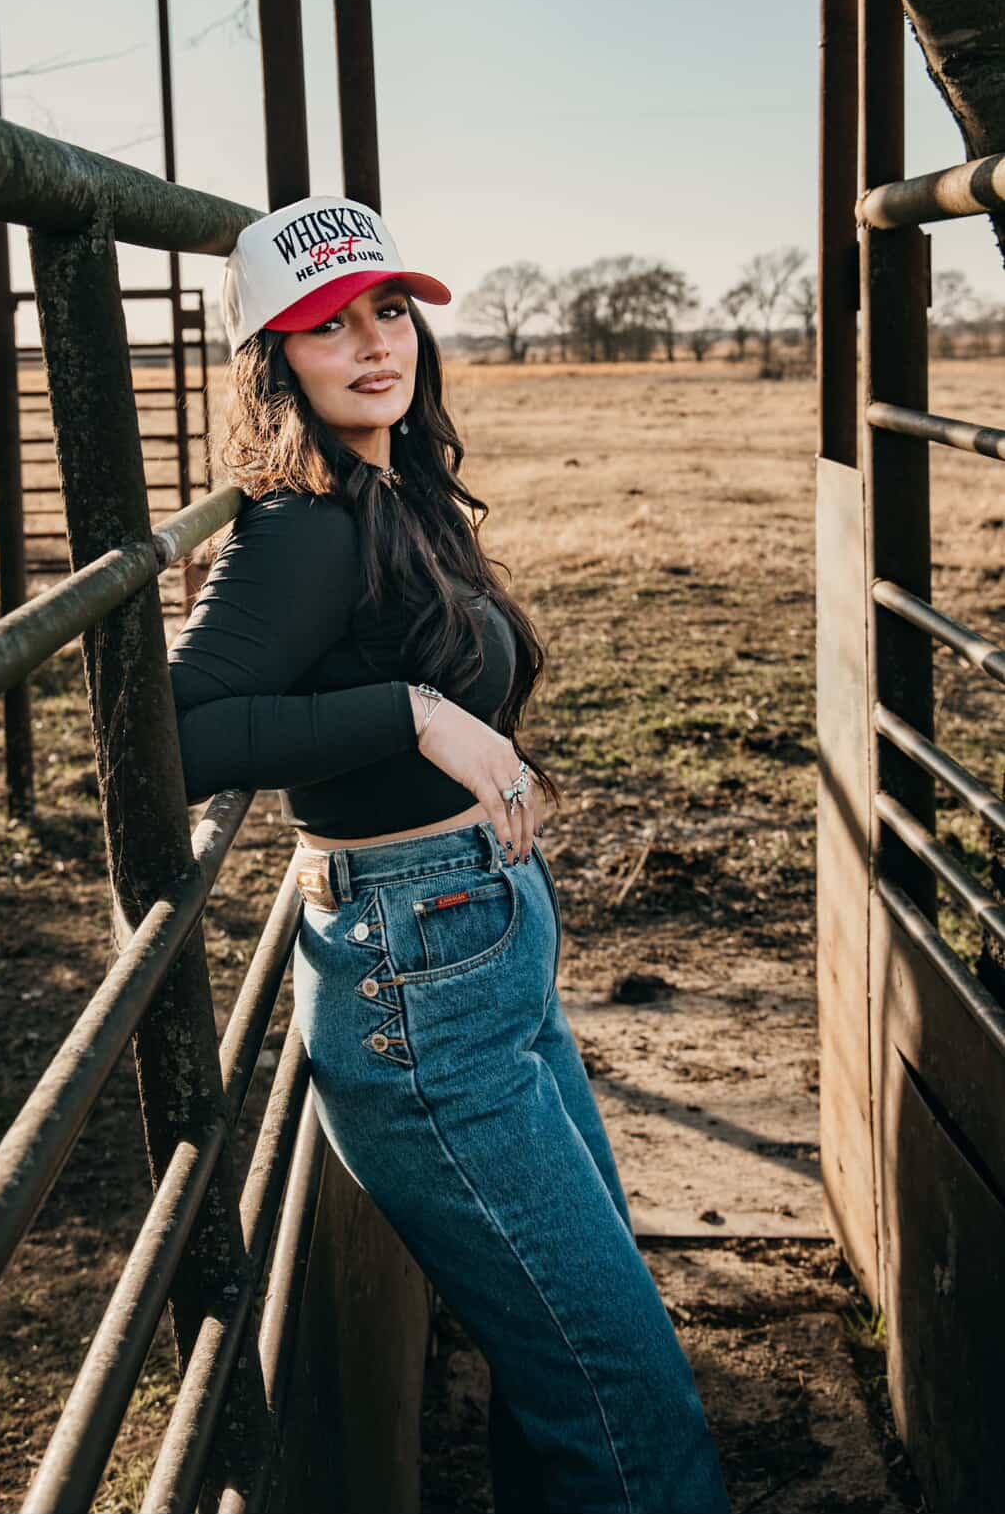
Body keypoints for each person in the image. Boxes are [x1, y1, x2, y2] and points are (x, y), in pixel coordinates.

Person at [166, 194, 731, 1513]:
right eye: (324, 327)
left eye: (386, 311)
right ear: (272, 360)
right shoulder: (301, 525)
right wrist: (410, 710)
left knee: (583, 1373)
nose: (372, 346)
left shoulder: (389, 492)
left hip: (479, 952)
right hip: (415, 983)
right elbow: (175, 734)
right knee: (629, 1404)